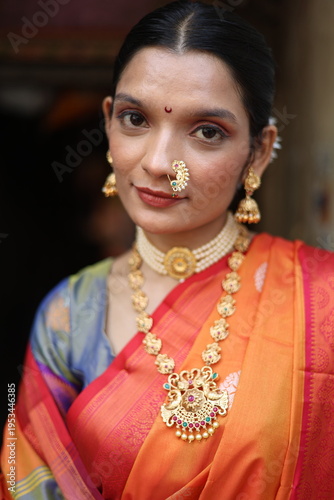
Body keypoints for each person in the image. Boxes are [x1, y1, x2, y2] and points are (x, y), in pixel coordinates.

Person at [1, 1, 334, 499]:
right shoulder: (68, 314)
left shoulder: (322, 301)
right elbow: (23, 476)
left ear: (258, 152)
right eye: (136, 119)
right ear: (109, 122)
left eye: (206, 132)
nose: (159, 163)